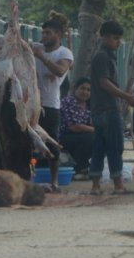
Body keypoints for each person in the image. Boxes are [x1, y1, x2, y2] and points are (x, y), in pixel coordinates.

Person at [89, 21, 134, 195]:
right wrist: (126, 96)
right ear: (103, 37)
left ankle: (96, 185)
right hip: (108, 109)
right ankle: (118, 185)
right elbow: (105, 83)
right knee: (114, 147)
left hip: (99, 109)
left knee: (99, 147)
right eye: (115, 38)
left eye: (120, 39)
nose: (118, 42)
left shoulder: (104, 56)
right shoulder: (102, 57)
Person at [32, 19, 74, 190]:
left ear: (58, 34)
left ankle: (54, 181)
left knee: (51, 144)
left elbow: (60, 71)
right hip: (31, 104)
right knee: (27, 142)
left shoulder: (64, 53)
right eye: (43, 33)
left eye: (48, 33)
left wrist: (41, 57)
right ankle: (28, 177)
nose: (44, 36)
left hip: (50, 105)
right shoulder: (35, 47)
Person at [59, 77, 94, 176]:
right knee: (90, 138)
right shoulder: (68, 101)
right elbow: (73, 126)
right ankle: (78, 168)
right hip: (65, 137)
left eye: (88, 90)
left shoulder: (88, 105)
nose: (85, 92)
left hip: (80, 136)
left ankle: (87, 166)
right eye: (82, 88)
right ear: (76, 89)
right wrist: (96, 130)